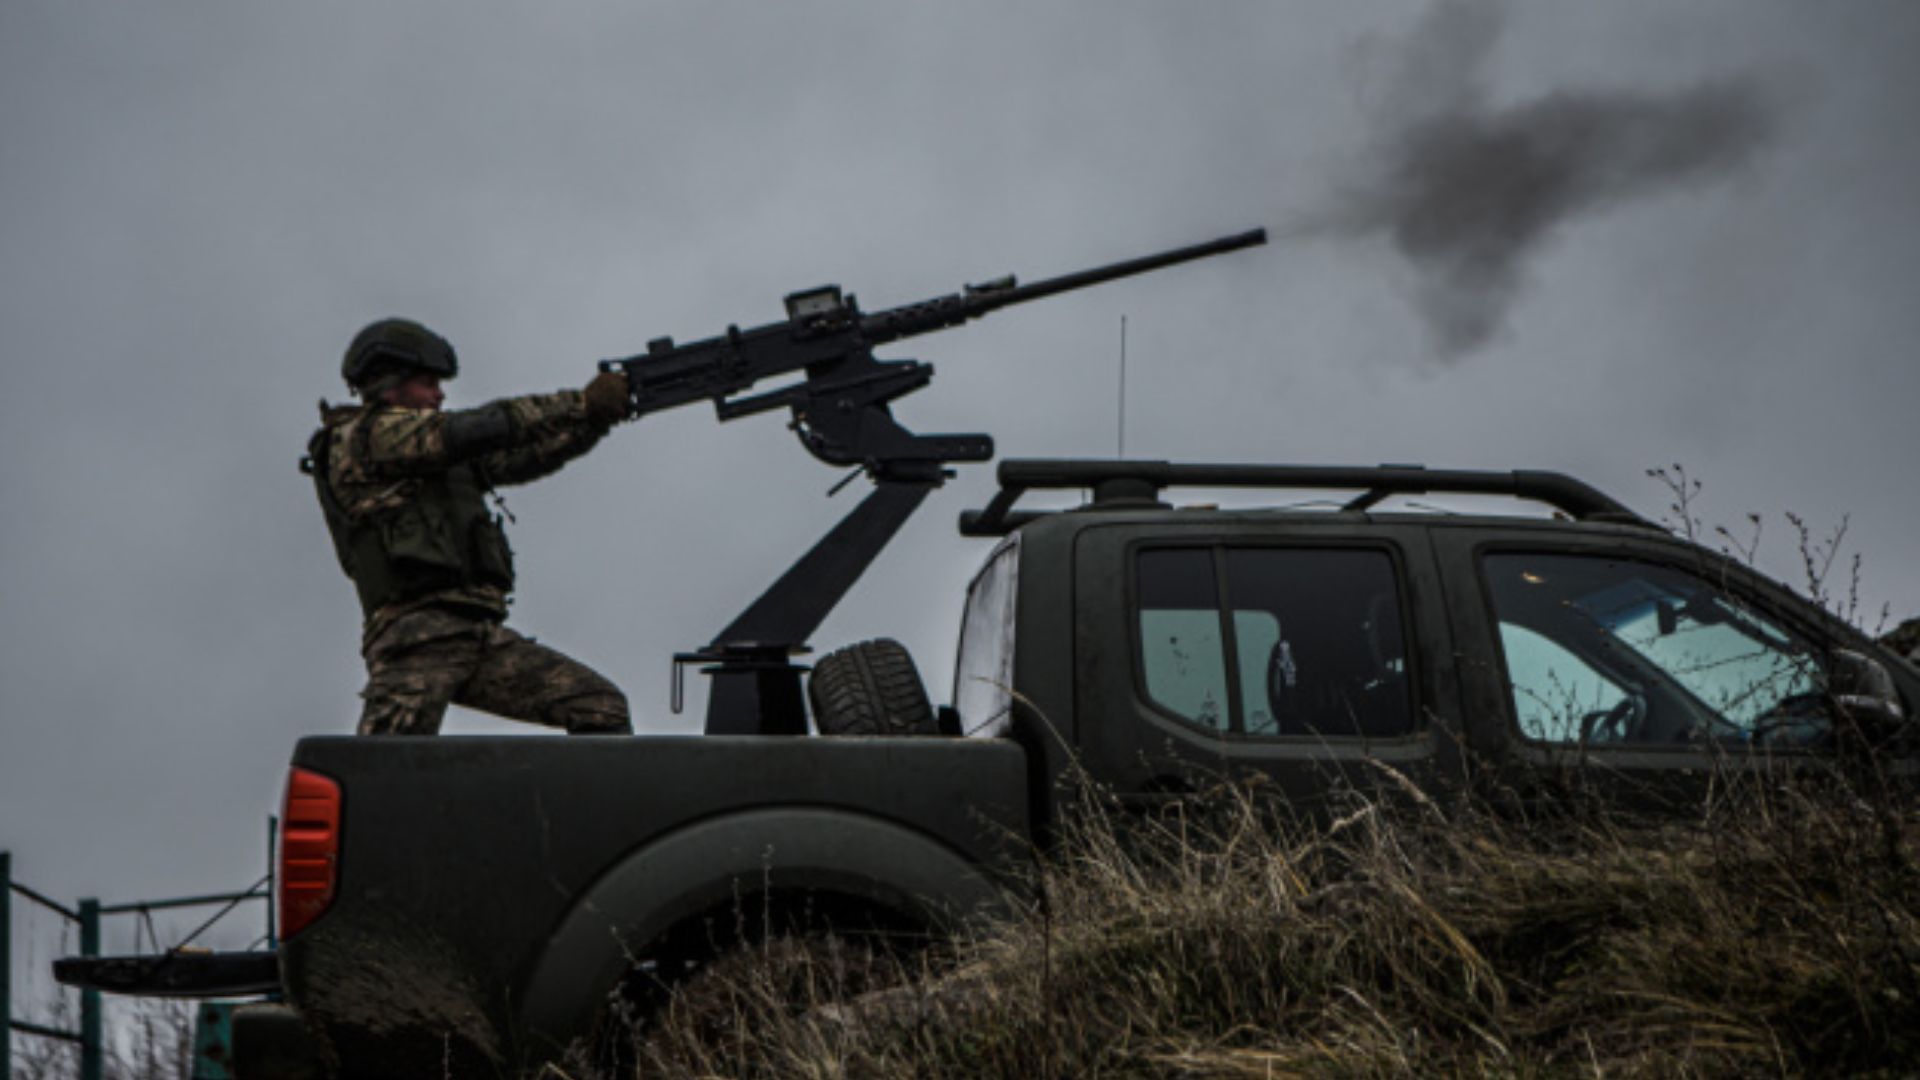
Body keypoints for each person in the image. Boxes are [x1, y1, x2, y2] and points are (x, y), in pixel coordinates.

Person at [305, 317, 635, 735]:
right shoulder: (367, 438)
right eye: (428, 383)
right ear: (390, 386)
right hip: (416, 641)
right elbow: (483, 429)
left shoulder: (432, 454)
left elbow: (522, 457)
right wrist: (579, 404)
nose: (439, 395)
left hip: (475, 636)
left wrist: (593, 421)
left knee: (600, 709)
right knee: (384, 765)